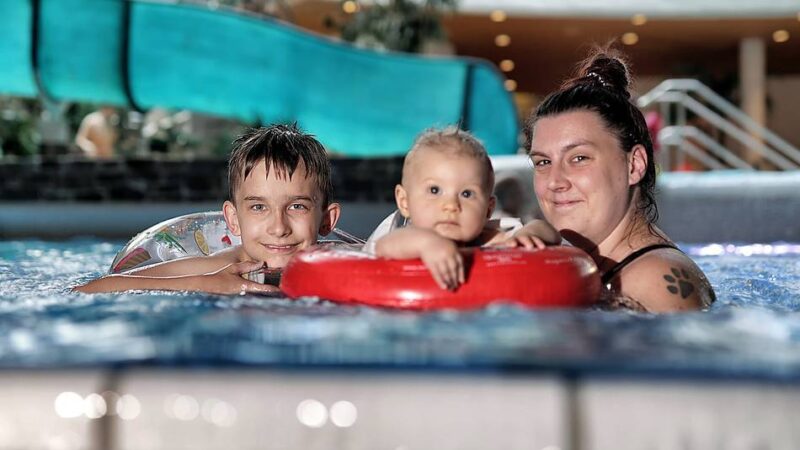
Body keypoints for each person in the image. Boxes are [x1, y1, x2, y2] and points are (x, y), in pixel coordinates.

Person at [524, 49, 715, 312]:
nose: (555, 182)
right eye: (543, 162)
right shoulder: (606, 269)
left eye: (579, 158)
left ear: (634, 165)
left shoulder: (655, 283)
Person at [75, 124, 342, 295]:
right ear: (234, 220)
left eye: (297, 206)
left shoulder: (344, 260)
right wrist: (204, 283)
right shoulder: (220, 267)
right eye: (259, 207)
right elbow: (91, 288)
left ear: (326, 220)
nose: (279, 228)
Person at [373, 127, 560, 291]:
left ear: (488, 209)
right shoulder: (404, 236)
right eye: (434, 190)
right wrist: (428, 244)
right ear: (405, 202)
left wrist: (530, 234)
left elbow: (549, 232)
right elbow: (384, 246)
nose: (451, 206)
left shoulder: (495, 239)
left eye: (467, 194)